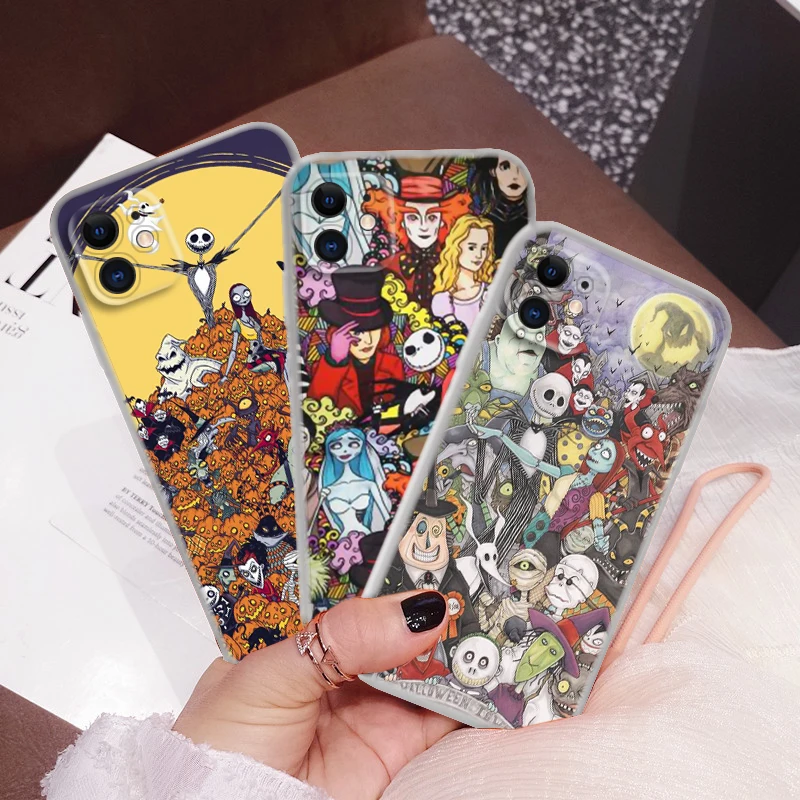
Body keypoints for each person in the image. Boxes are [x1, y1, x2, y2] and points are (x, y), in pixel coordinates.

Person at [306, 265, 403, 416]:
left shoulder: (392, 365)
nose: (368, 341)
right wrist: (335, 361)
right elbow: (315, 409)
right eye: (358, 332)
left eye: (374, 329)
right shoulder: (324, 369)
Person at [431, 215, 497, 328]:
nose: (479, 255)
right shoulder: (443, 300)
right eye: (472, 248)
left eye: (483, 248)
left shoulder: (490, 291)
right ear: (456, 248)